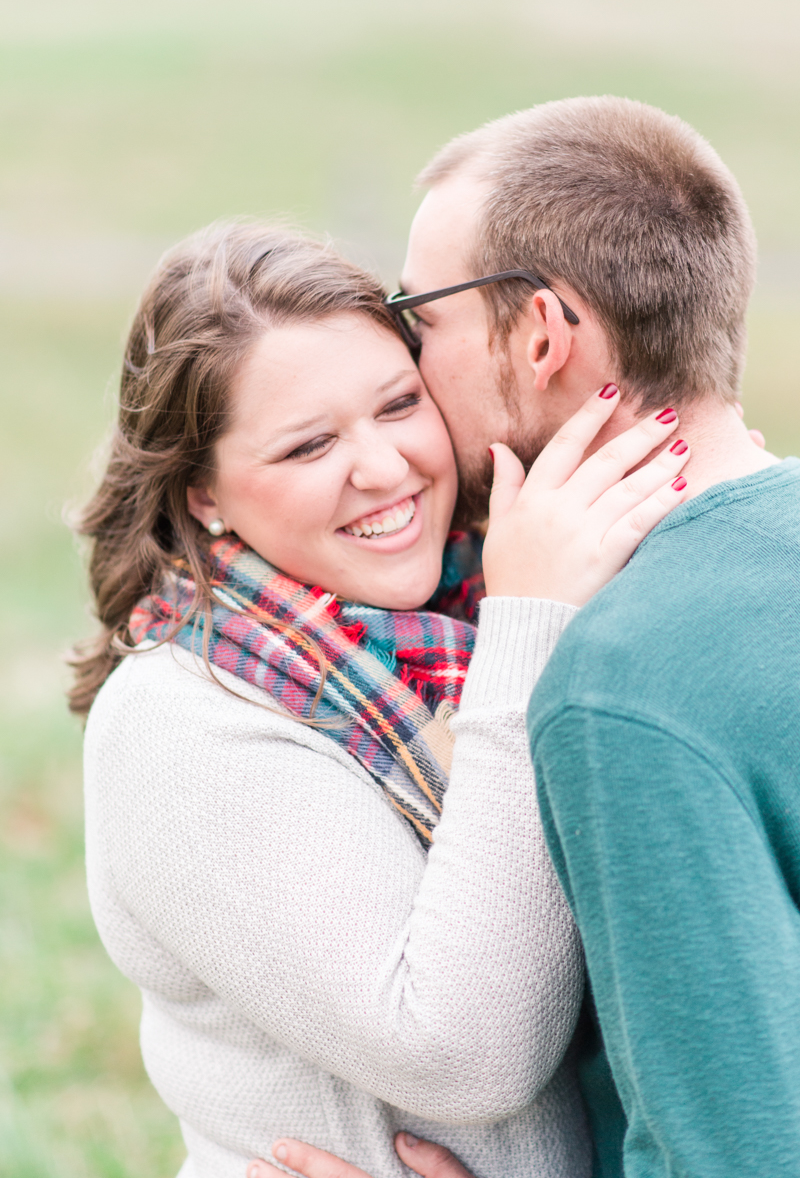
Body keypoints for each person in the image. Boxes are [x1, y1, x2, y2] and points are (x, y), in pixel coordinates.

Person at [248, 96, 798, 1178]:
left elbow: (737, 1148)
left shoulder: (623, 684)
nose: (406, 358)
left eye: (422, 317)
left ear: (541, 332)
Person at [74, 220, 688, 1178]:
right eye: (308, 444)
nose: (385, 466)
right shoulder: (178, 722)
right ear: (204, 495)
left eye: (399, 402)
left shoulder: (471, 609)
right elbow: (469, 1054)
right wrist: (531, 628)